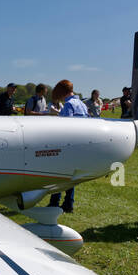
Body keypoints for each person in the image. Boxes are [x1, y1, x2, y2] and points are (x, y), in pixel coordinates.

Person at [46, 80, 89, 213]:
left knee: (59, 174)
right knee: (72, 176)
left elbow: (65, 126)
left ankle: (54, 203)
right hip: (81, 144)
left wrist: (55, 115)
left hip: (68, 144)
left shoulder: (69, 104)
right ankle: (68, 203)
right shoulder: (82, 104)